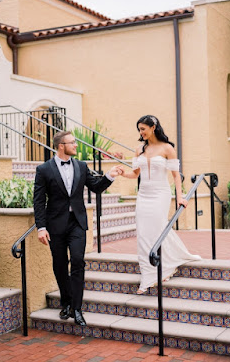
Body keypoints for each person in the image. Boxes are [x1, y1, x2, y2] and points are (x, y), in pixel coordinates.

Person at [33, 131, 120, 325]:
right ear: (61, 146)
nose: (76, 145)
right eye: (72, 142)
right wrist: (41, 227)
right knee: (60, 264)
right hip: (55, 224)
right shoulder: (44, 169)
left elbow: (96, 187)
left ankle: (77, 308)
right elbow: (38, 201)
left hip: (77, 223)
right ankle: (66, 302)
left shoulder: (81, 166)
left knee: (78, 261)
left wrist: (109, 176)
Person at [118, 115, 201, 294]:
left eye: (143, 129)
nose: (141, 132)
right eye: (139, 129)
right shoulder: (139, 148)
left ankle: (160, 270)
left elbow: (176, 175)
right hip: (143, 195)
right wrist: (122, 173)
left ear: (153, 127)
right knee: (142, 234)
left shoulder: (167, 148)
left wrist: (180, 197)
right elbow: (135, 174)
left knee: (157, 229)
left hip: (160, 194)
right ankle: (148, 275)